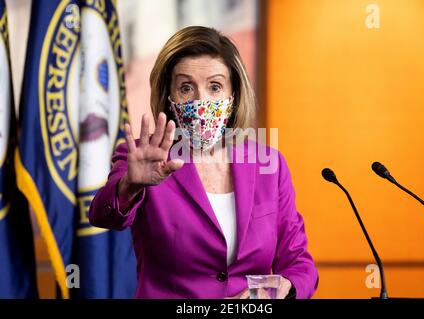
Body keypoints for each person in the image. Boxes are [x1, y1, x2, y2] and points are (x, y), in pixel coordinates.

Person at [89, 26, 318, 299]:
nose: (201, 101)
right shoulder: (144, 156)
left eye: (215, 87)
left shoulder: (268, 165)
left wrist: (285, 288)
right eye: (186, 87)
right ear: (169, 96)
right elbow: (103, 216)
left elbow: (298, 263)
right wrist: (129, 186)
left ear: (233, 97)